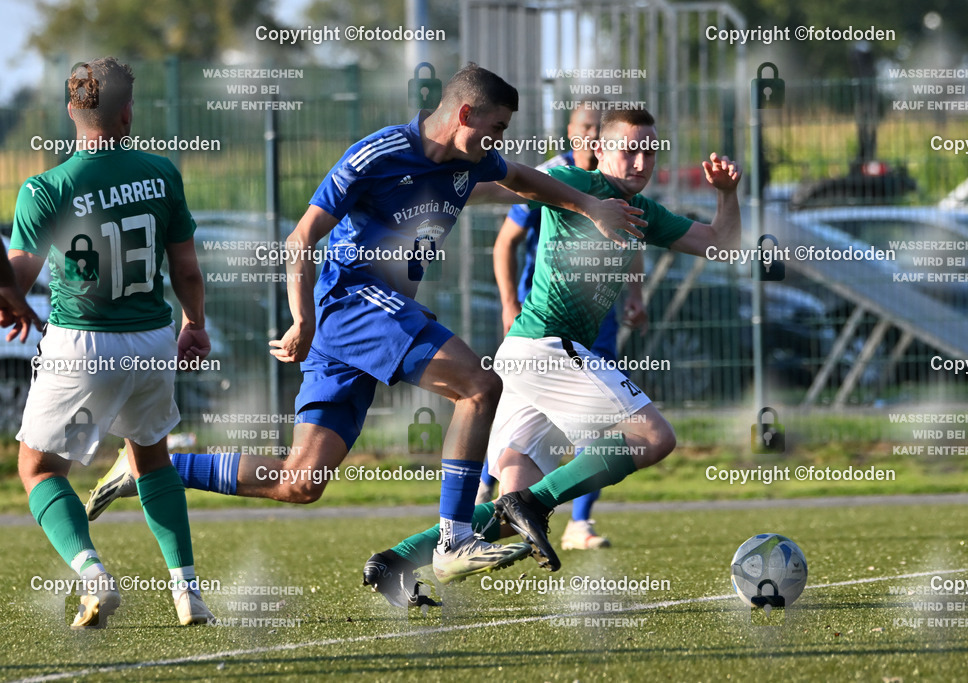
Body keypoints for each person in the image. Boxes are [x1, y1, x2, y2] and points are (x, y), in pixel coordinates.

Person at [86, 64, 647, 601]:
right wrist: (302, 318)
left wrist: (590, 206)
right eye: (496, 127)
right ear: (466, 114)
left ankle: (148, 464)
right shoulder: (378, 154)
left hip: (364, 322)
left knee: (300, 482)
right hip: (351, 301)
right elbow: (301, 238)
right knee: (479, 386)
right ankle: (453, 539)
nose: (499, 140)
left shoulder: (472, 159)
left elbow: (523, 179)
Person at [365, 108, 740, 605]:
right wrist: (417, 190)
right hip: (547, 346)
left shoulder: (644, 211)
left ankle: (394, 560)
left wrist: (727, 194)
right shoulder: (575, 182)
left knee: (510, 512)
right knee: (654, 437)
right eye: (629, 149)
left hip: (525, 358)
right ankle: (531, 504)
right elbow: (500, 186)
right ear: (599, 150)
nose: (640, 161)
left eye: (650, 151)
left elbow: (719, 242)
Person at [5, 58, 215, 628]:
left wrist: (8, 295)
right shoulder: (162, 173)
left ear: (71, 112)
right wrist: (194, 323)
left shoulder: (46, 188)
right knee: (151, 458)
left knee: (40, 469)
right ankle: (188, 593)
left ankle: (94, 575)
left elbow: (18, 279)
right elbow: (187, 270)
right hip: (152, 342)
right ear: (126, 113)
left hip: (83, 346)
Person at [485, 103, 647, 552]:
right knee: (515, 424)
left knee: (598, 426)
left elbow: (634, 236)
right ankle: (486, 497)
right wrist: (509, 302)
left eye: (599, 128)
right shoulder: (553, 179)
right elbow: (506, 241)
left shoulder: (620, 187)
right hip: (543, 327)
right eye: (585, 128)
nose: (592, 136)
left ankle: (578, 520)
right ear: (573, 135)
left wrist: (635, 293)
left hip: (597, 322)